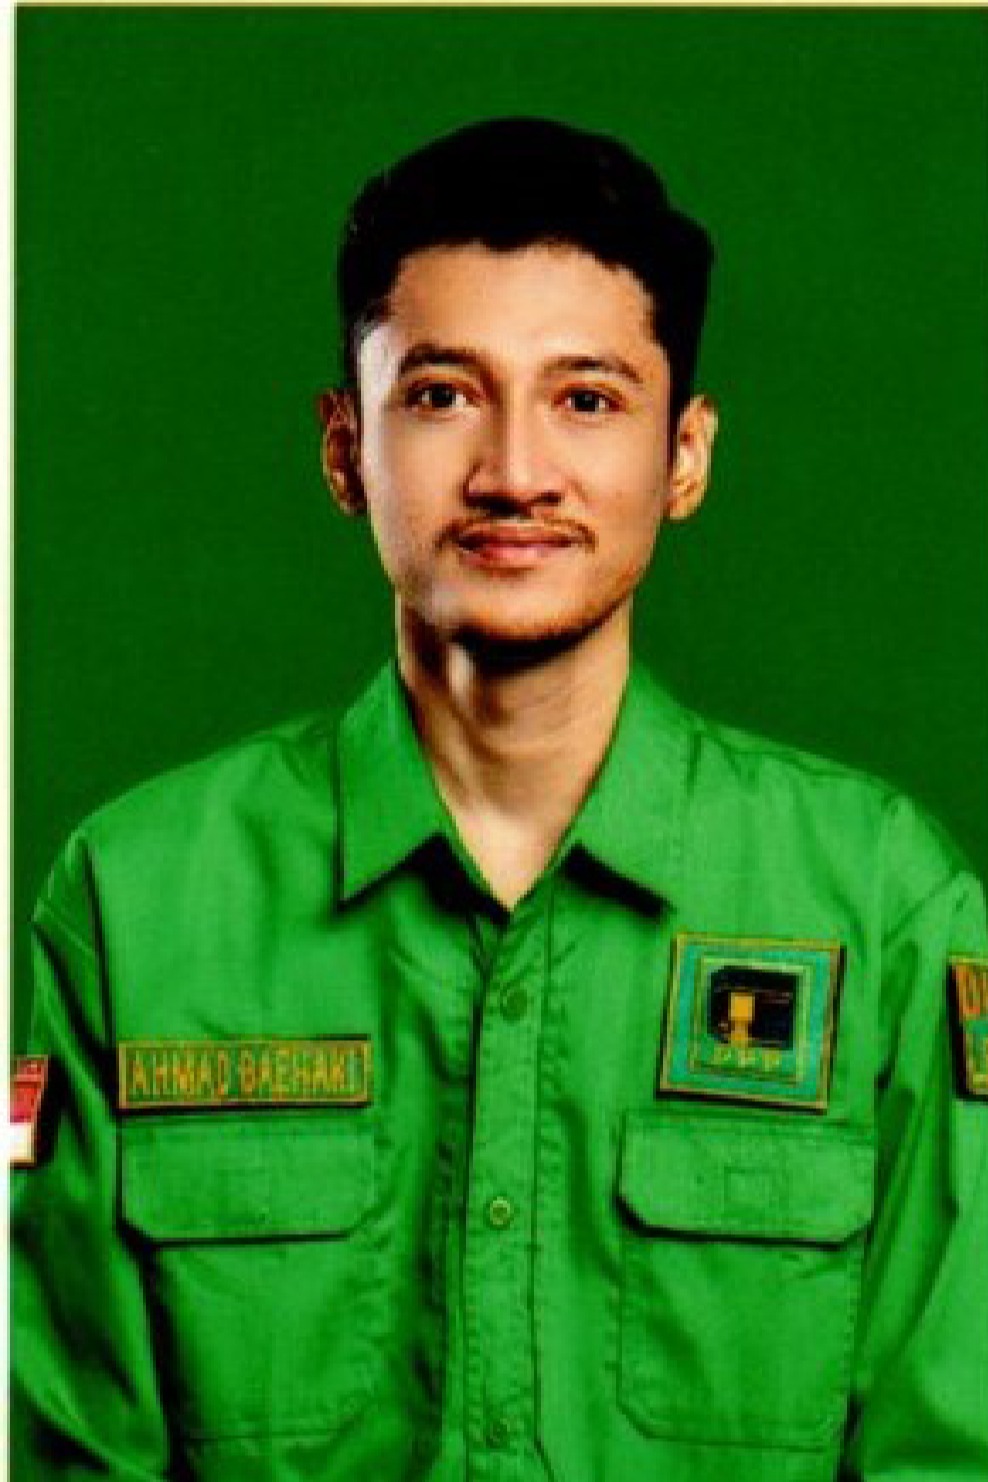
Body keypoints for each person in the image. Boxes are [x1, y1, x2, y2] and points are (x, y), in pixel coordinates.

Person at [11, 116, 988, 1482]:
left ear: (686, 453)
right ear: (344, 447)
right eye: (441, 394)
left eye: (586, 399)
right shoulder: (135, 903)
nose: (516, 472)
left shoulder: (885, 903)